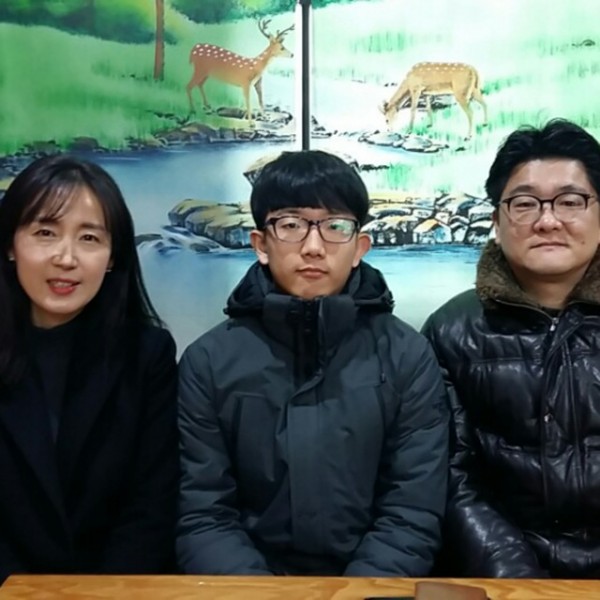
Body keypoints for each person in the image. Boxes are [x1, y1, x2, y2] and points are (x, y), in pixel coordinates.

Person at [177, 149, 449, 576]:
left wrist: (359, 594)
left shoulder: (407, 356)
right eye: (291, 225)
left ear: (359, 248)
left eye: (335, 226)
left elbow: (412, 511)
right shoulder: (207, 362)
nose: (314, 247)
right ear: (260, 244)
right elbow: (203, 514)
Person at [422, 119, 600, 578]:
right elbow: (453, 477)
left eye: (570, 201)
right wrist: (516, 578)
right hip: (501, 574)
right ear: (496, 222)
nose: (547, 220)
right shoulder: (451, 331)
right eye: (524, 204)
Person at [0, 155, 178, 582]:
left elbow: (151, 508)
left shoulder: (146, 355)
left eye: (89, 238)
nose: (66, 258)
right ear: (10, 245)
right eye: (45, 233)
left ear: (113, 256)